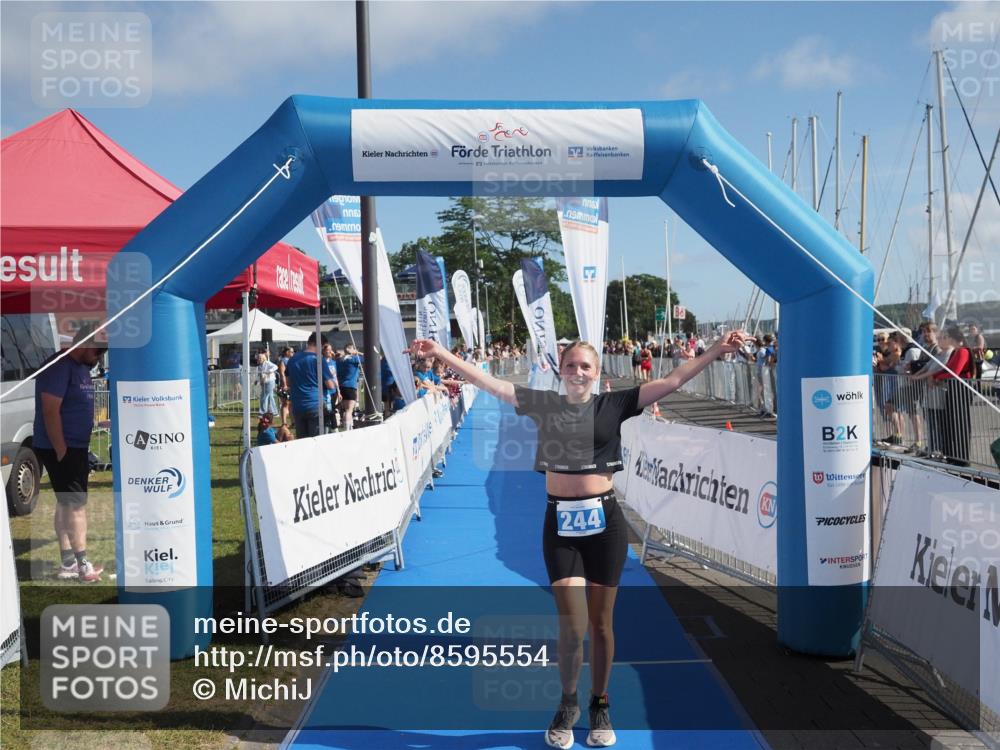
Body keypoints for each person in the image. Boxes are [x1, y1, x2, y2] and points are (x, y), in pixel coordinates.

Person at [408, 330, 748, 749]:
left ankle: (599, 702)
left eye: (585, 366)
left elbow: (674, 379)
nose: (578, 372)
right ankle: (567, 703)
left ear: (597, 371)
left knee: (601, 625)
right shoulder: (544, 404)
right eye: (571, 365)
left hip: (605, 524)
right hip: (561, 528)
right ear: (561, 370)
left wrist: (716, 350)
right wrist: (440, 351)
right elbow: (488, 382)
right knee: (572, 625)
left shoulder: (616, 404)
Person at [34, 325, 106, 583]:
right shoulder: (60, 366)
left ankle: (68, 564)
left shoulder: (80, 368)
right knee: (76, 505)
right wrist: (62, 450)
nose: (99, 358)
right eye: (98, 351)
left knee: (66, 502)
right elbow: (50, 411)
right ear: (85, 344)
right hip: (63, 447)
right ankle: (82, 564)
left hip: (73, 446)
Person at [285, 333, 326, 438]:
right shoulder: (318, 359)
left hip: (298, 405)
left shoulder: (292, 359)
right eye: (322, 347)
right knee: (317, 441)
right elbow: (330, 384)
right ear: (319, 344)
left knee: (302, 442)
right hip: (315, 404)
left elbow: (288, 381)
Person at [336, 343, 363, 431]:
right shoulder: (354, 359)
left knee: (346, 410)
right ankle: (347, 430)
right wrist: (358, 352)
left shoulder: (340, 360)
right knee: (349, 410)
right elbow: (370, 356)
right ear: (351, 349)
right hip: (350, 386)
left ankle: (348, 428)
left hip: (341, 387)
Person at [322, 344, 341, 432]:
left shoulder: (333, 362)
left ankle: (334, 428)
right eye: (327, 350)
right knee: (327, 410)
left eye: (331, 349)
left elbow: (335, 377)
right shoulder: (322, 362)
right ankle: (329, 428)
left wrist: (338, 390)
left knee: (332, 409)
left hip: (333, 390)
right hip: (325, 390)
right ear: (323, 351)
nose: (330, 351)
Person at [257, 351, 279, 416]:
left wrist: (268, 371)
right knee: (270, 397)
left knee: (264, 396)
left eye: (260, 358)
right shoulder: (259, 366)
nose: (258, 359)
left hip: (270, 381)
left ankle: (263, 412)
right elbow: (259, 375)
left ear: (263, 358)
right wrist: (257, 381)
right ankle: (274, 412)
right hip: (264, 382)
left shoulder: (267, 363)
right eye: (258, 358)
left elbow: (275, 367)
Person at [277, 346, 294, 426]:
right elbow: (282, 373)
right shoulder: (282, 361)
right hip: (285, 386)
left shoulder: (291, 360)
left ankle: (293, 421)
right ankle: (284, 423)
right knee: (285, 403)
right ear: (287, 352)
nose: (293, 353)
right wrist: (284, 385)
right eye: (291, 352)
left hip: (291, 385)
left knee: (291, 404)